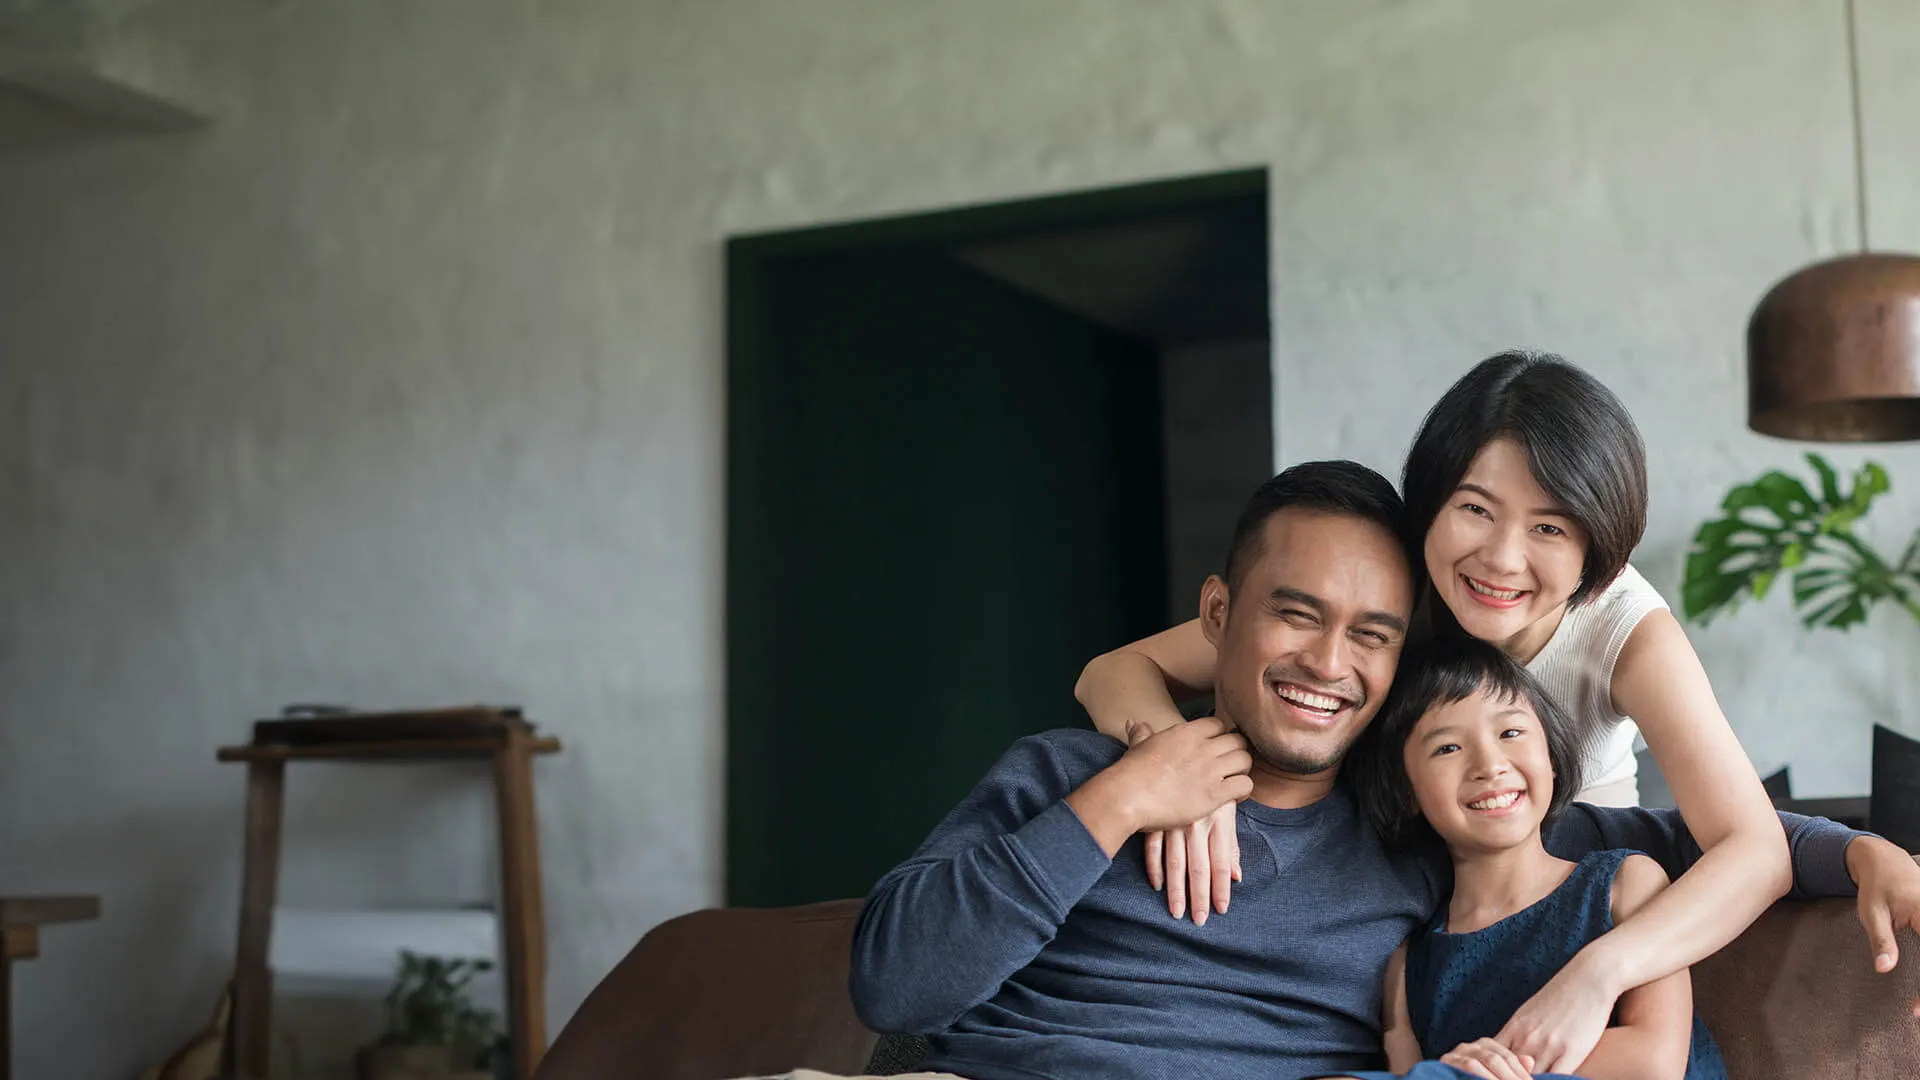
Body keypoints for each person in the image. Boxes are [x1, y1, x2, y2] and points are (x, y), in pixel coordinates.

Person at [834, 462, 1917, 1080]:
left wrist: (1866, 850)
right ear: (1219, 618)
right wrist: (1122, 799)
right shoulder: (1062, 772)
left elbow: (1693, 843)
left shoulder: (1415, 826)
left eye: (1372, 635)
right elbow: (894, 982)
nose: (1326, 664)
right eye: (1295, 616)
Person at [1074, 352, 1798, 1064]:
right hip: (1416, 910)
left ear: (1597, 546)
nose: (1501, 560)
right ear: (1429, 503)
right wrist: (1182, 773)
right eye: (1475, 510)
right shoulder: (1392, 591)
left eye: (1550, 527)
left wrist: (1598, 972)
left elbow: (1754, 850)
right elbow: (1115, 671)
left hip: (1558, 901)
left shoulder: (1624, 631)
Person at [1337, 635, 1725, 1080]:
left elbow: (1653, 1062)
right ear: (1407, 792)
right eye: (1447, 748)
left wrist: (1479, 1073)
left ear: (1551, 757)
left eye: (1510, 733)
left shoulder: (1623, 884)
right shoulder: (1410, 963)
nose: (1490, 763)